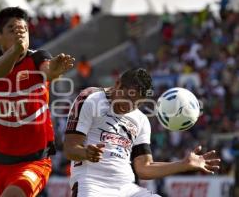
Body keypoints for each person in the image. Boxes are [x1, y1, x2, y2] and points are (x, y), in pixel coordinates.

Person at [63, 68, 220, 197]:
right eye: (127, 97)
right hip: (92, 184)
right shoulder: (90, 99)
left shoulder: (140, 120)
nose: (128, 106)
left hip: (127, 189)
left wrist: (183, 164)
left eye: (136, 103)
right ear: (118, 84)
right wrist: (85, 153)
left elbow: (144, 168)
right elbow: (70, 149)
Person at [0, 7, 74, 197]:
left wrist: (53, 71)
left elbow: (48, 69)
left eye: (23, 29)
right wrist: (15, 51)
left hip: (34, 162)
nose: (20, 32)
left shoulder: (38, 57)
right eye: (12, 29)